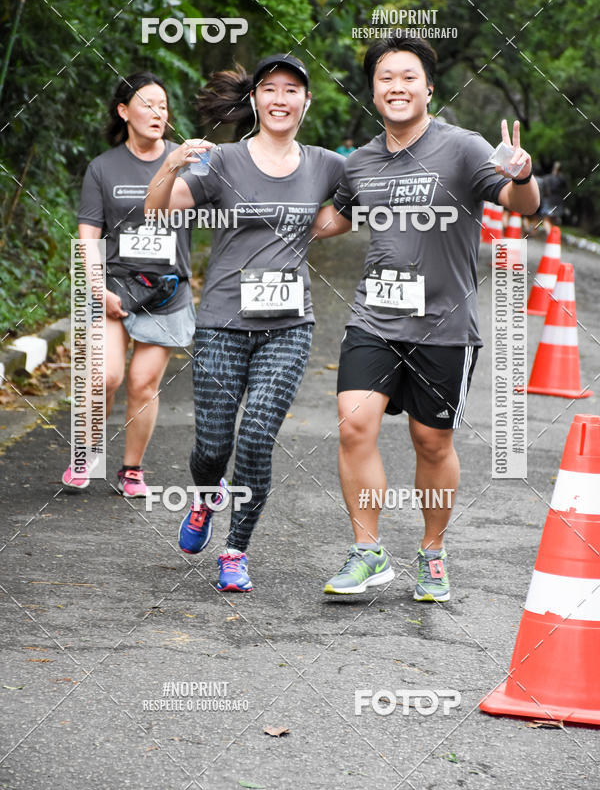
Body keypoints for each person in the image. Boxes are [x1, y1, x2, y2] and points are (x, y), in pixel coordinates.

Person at [314, 35, 539, 601]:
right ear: (372, 89)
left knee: (431, 442)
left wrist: (521, 175)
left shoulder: (462, 148)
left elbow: (523, 207)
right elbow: (334, 219)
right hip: (374, 318)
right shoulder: (360, 161)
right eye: (385, 76)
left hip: (445, 326)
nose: (396, 86)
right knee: (353, 424)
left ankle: (432, 553)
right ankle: (368, 552)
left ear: (429, 87)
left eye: (408, 76)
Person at [145, 54, 344, 592]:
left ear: (307, 102)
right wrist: (170, 163)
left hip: (289, 325)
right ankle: (206, 498)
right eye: (270, 89)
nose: (281, 99)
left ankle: (236, 550)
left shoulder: (326, 164)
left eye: (292, 90)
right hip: (221, 324)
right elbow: (160, 211)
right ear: (255, 99)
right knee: (212, 446)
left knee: (255, 435)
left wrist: (313, 230)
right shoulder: (224, 161)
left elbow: (355, 203)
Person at [62, 72, 195, 498]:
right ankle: (86, 454)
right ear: (124, 111)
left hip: (167, 290)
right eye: (148, 104)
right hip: (114, 284)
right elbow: (88, 236)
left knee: (143, 382)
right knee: (105, 375)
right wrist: (97, 289)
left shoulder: (185, 160)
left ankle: (131, 470)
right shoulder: (102, 168)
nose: (159, 113)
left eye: (163, 106)